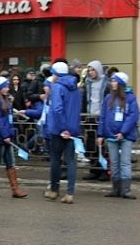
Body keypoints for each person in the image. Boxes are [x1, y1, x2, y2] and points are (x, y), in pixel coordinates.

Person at [0, 77, 28, 198]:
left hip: (4, 136)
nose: (8, 88)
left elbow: (6, 119)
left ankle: (15, 189)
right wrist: (5, 135)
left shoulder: (3, 99)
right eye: (5, 86)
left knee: (10, 162)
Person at [97, 72, 140, 199]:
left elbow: (133, 116)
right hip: (110, 135)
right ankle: (115, 189)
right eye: (112, 81)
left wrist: (123, 132)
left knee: (125, 162)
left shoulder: (130, 98)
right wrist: (100, 134)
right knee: (114, 163)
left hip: (126, 136)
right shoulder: (108, 98)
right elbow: (103, 117)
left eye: (115, 81)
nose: (112, 83)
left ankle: (126, 190)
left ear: (121, 83)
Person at [44, 62, 82, 204]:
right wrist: (70, 128)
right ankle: (70, 193)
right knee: (71, 161)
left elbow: (57, 109)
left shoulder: (57, 87)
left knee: (55, 159)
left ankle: (54, 190)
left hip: (58, 129)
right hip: (73, 129)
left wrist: (62, 128)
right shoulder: (76, 88)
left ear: (56, 74)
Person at [81, 60, 111, 181]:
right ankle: (94, 169)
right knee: (90, 144)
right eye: (89, 70)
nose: (90, 72)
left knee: (102, 145)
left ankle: (104, 171)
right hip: (90, 116)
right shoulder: (87, 84)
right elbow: (84, 100)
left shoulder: (106, 84)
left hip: (102, 117)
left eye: (93, 69)